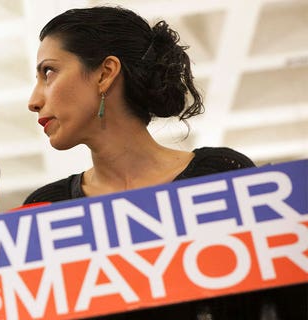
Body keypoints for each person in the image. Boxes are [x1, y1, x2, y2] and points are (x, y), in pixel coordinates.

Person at [24, 5, 306, 320]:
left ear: (105, 74)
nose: (34, 101)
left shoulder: (221, 175)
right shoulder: (46, 208)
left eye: (48, 72)